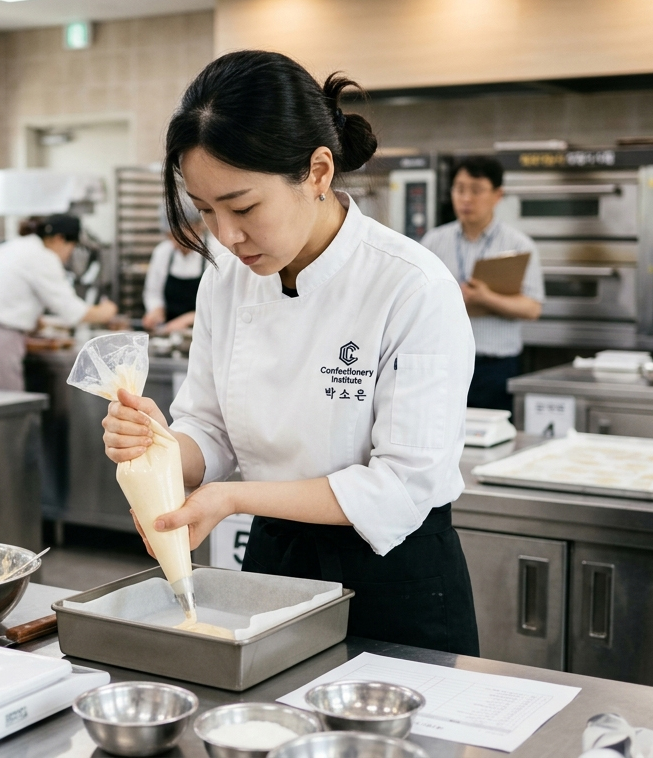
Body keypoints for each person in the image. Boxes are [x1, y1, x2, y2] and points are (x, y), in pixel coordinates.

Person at [100, 51, 480, 655]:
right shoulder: (227, 275)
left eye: (244, 207)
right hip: (275, 564)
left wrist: (232, 498)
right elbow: (210, 428)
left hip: (393, 578)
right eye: (206, 210)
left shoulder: (411, 285)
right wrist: (160, 446)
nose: (225, 235)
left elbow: (402, 485)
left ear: (318, 172)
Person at [420, 156, 544, 412]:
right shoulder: (434, 241)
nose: (466, 198)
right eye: (459, 189)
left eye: (476, 190)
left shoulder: (519, 245)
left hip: (496, 366)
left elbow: (532, 308)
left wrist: (486, 298)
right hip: (444, 363)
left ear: (498, 195)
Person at [0, 215, 119, 391]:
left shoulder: (17, 247)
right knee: (8, 405)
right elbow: (73, 312)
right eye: (71, 248)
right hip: (1, 339)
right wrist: (107, 311)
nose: (69, 255)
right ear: (59, 239)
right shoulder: (43, 257)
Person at [141, 199, 207, 333]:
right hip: (169, 332)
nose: (175, 241)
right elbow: (153, 293)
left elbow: (222, 305)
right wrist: (156, 310)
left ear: (197, 227)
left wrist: (189, 319)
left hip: (205, 332)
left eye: (181, 235)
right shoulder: (163, 252)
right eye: (170, 236)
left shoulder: (217, 254)